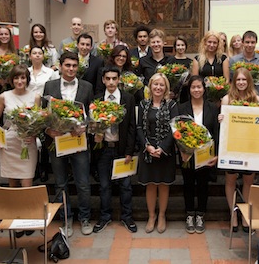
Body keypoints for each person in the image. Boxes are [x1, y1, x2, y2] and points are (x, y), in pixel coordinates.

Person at [43, 52, 93, 237]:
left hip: (78, 141)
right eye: (67, 65)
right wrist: (48, 131)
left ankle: (85, 218)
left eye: (74, 65)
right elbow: (43, 113)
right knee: (61, 183)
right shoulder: (50, 85)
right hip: (57, 142)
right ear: (61, 66)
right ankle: (66, 219)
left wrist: (84, 127)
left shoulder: (87, 87)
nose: (71, 69)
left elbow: (92, 113)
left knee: (83, 183)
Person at [91, 67, 137, 233]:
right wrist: (95, 134)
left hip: (121, 149)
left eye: (114, 78)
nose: (111, 82)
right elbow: (92, 124)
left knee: (125, 186)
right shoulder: (97, 99)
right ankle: (105, 217)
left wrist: (129, 151)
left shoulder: (128, 98)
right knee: (104, 186)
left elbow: (132, 126)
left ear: (119, 80)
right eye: (108, 79)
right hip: (103, 149)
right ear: (103, 80)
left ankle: (127, 217)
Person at [219, 68, 259, 232]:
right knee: (230, 180)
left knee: (248, 181)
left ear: (249, 81)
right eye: (238, 80)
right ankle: (233, 214)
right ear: (233, 81)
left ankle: (245, 215)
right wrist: (221, 119)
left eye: (244, 80)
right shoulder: (226, 99)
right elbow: (223, 124)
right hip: (231, 146)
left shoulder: (257, 99)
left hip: (250, 146)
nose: (241, 82)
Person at [137, 73, 179, 234]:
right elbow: (139, 127)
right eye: (155, 84)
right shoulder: (143, 104)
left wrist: (162, 147)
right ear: (150, 86)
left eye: (161, 85)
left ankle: (161, 216)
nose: (158, 87)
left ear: (166, 88)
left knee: (163, 184)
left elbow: (174, 128)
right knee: (150, 184)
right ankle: (151, 216)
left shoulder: (172, 105)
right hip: (148, 150)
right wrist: (147, 146)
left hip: (165, 151)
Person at [179, 76, 219, 234]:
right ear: (189, 90)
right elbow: (177, 131)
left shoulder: (213, 108)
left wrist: (216, 154)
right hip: (187, 154)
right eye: (193, 87)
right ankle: (189, 214)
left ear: (204, 89)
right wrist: (182, 150)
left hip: (206, 155)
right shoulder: (182, 108)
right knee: (188, 184)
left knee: (203, 185)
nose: (196, 90)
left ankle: (201, 214)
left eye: (199, 87)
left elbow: (216, 132)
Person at [0, 64, 40, 187]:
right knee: (12, 184)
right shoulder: (4, 96)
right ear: (12, 80)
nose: (19, 81)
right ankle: (14, 206)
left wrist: (34, 135)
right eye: (16, 78)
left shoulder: (36, 96)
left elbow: (38, 121)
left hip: (27, 143)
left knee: (27, 182)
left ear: (27, 79)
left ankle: (26, 207)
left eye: (23, 78)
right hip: (10, 142)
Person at [27, 46, 59, 182]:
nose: (37, 55)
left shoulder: (49, 72)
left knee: (45, 138)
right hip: (27, 108)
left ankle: (44, 169)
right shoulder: (25, 72)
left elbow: (55, 89)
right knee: (30, 139)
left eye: (40, 53)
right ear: (30, 56)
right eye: (34, 53)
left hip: (45, 108)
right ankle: (32, 169)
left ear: (43, 56)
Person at [229, 30, 259, 100]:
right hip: (238, 98)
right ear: (242, 42)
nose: (250, 45)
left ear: (256, 43)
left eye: (252, 42)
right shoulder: (234, 60)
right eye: (247, 42)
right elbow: (232, 80)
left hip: (257, 97)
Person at [173, 36, 193, 103]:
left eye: (182, 45)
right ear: (175, 47)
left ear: (185, 46)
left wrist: (185, 83)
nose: (180, 47)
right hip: (172, 94)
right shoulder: (170, 61)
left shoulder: (190, 62)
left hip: (186, 93)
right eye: (178, 45)